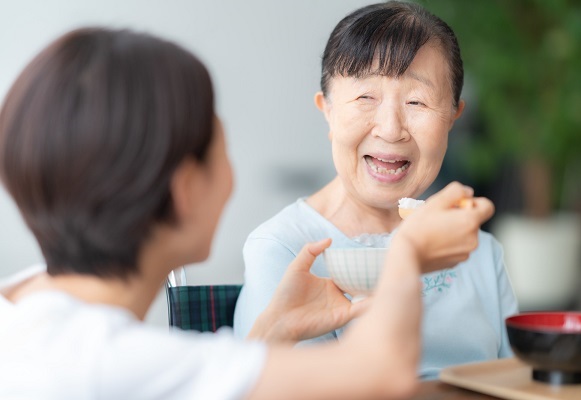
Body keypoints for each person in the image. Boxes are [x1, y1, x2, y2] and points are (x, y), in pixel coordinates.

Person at [0, 27, 495, 399]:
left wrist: (271, 333)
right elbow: (382, 375)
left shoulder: (23, 309)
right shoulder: (114, 365)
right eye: (221, 147)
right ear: (185, 190)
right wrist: (405, 253)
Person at [233, 0, 518, 379]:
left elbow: (521, 382)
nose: (390, 128)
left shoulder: (477, 248)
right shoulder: (283, 249)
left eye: (417, 101)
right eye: (366, 98)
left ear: (453, 118)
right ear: (328, 111)